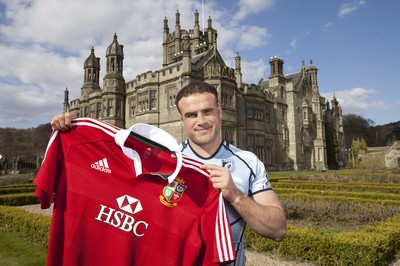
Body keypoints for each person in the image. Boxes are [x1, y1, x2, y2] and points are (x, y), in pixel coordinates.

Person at [50, 81, 287, 265]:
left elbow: (278, 230)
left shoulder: (248, 162)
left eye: (207, 111)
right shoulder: (163, 164)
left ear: (220, 112)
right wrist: (72, 129)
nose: (201, 120)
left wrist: (235, 196)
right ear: (181, 119)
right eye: (192, 115)